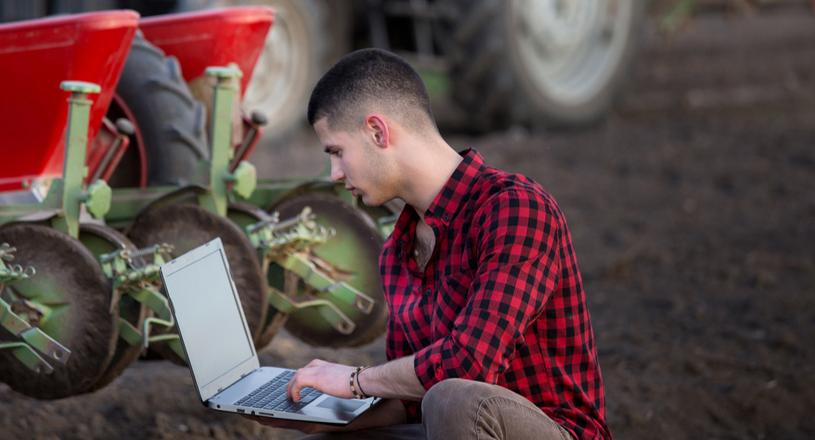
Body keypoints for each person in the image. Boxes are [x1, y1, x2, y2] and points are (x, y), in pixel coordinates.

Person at [250, 48, 610, 440]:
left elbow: (467, 366)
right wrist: (314, 412)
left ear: (377, 132)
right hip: (445, 425)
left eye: (337, 152)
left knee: (454, 400)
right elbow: (410, 401)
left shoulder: (515, 208)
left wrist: (355, 380)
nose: (335, 174)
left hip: (556, 430)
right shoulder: (397, 251)